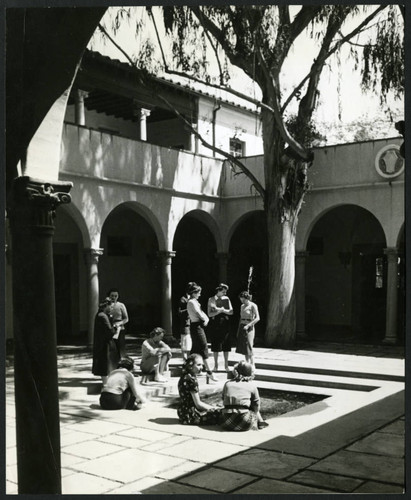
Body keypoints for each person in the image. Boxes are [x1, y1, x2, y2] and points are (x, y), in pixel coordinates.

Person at [221, 361, 268, 430]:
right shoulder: (252, 386)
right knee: (253, 405)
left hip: (225, 421)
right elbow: (256, 406)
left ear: (235, 372)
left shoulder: (227, 384)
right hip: (244, 423)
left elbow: (223, 399)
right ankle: (261, 422)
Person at [177, 354, 221, 425]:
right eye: (199, 365)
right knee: (219, 414)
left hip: (182, 411)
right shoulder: (191, 380)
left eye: (202, 365)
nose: (201, 367)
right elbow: (198, 404)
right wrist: (214, 409)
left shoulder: (185, 375)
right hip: (191, 415)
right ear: (191, 366)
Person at [187, 284, 218, 382]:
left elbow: (202, 312)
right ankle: (209, 372)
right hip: (196, 326)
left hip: (198, 326)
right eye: (198, 292)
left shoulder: (195, 301)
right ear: (194, 292)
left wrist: (206, 319)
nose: (200, 294)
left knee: (196, 349)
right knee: (203, 347)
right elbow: (199, 313)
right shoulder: (191, 302)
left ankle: (191, 370)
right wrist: (206, 319)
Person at [92, 298, 119, 384]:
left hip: (102, 343)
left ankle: (106, 383)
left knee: (106, 364)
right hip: (104, 344)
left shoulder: (101, 315)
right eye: (110, 307)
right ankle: (106, 384)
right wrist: (116, 328)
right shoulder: (103, 316)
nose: (111, 309)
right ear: (106, 306)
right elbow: (109, 331)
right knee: (105, 364)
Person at [207, 285, 233, 372]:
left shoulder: (227, 299)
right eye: (223, 292)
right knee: (216, 345)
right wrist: (219, 311)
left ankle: (226, 365)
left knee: (226, 344)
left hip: (225, 322)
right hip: (215, 323)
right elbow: (210, 314)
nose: (225, 293)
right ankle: (216, 365)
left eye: (225, 292)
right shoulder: (211, 299)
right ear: (218, 291)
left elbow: (231, 311)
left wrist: (222, 310)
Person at [236, 291, 260, 366]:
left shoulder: (253, 305)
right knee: (244, 347)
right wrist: (238, 330)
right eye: (241, 300)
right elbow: (240, 318)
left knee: (249, 345)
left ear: (247, 298)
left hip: (249, 326)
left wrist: (249, 325)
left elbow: (257, 318)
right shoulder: (242, 306)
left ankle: (252, 363)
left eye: (243, 299)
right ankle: (247, 363)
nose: (242, 301)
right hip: (242, 325)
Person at [108, 288, 129, 358]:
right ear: (109, 296)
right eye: (112, 296)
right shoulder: (106, 306)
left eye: (115, 296)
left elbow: (126, 319)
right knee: (111, 347)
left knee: (120, 347)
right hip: (109, 327)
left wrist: (119, 323)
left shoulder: (121, 305)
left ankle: (122, 362)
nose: (113, 297)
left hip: (119, 329)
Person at [178, 282, 196, 360]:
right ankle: (185, 360)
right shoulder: (183, 299)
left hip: (194, 323)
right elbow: (180, 312)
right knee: (185, 343)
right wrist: (189, 309)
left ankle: (190, 360)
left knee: (191, 343)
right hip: (186, 324)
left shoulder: (194, 299)